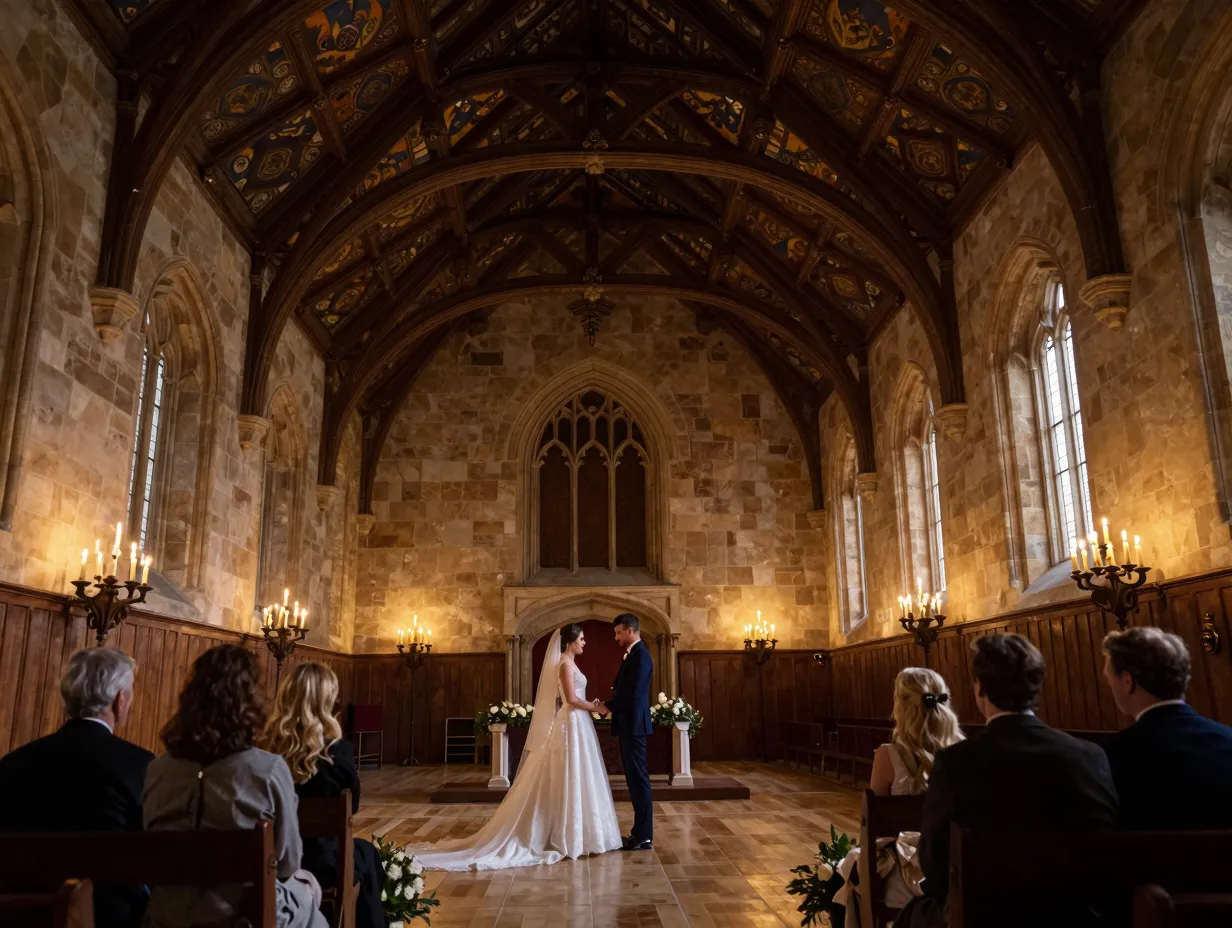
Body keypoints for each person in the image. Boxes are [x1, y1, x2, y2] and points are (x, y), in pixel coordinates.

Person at [899, 634, 1118, 928]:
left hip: (986, 915)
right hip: (1073, 915)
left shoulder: (957, 762)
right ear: (1036, 685)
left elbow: (935, 862)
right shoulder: (1089, 756)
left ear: (979, 687)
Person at [142, 644, 326, 928]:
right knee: (308, 893)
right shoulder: (267, 770)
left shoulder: (157, 769)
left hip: (169, 915)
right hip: (243, 916)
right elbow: (288, 862)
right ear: (250, 702)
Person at [413, 623, 622, 869]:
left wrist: (591, 705)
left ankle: (584, 834)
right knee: (570, 771)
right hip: (572, 720)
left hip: (578, 723)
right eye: (582, 639)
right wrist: (595, 706)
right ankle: (567, 836)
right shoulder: (565, 664)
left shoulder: (570, 662)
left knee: (579, 772)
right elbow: (572, 699)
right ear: (570, 642)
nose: (585, 643)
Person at [0, 648, 153, 928]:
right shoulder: (140, 765)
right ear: (120, 701)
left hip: (22, 913)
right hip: (111, 915)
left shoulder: (12, 763)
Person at [832, 668, 964, 926]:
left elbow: (873, 824)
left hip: (906, 869)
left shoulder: (888, 755)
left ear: (901, 705)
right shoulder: (964, 753)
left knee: (839, 882)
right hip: (953, 862)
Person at [263, 663, 385, 928]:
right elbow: (352, 807)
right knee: (366, 854)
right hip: (321, 861)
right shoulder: (337, 752)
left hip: (266, 859)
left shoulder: (261, 751)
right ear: (326, 701)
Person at [1101, 626, 1232, 830]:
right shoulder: (1228, 739)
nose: (1110, 687)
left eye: (1110, 681)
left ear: (1128, 682)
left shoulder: (1112, 756)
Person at [606, 612, 654, 851]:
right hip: (629, 724)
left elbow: (633, 694)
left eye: (618, 632)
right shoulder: (633, 655)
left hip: (634, 726)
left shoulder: (641, 656)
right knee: (634, 781)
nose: (616, 638)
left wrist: (608, 706)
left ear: (630, 631)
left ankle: (644, 836)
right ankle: (639, 833)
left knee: (639, 781)